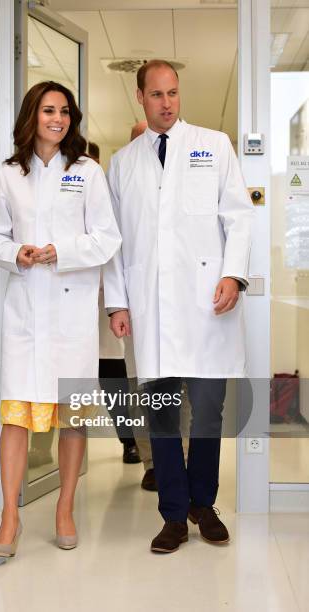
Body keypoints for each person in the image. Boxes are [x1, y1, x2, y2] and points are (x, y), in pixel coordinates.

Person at [104, 59, 254, 553]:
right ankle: (172, 513)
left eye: (173, 93)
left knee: (209, 413)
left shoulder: (214, 146)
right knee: (163, 416)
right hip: (153, 311)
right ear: (140, 98)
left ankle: (202, 504)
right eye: (157, 95)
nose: (167, 103)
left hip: (209, 305)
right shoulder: (123, 163)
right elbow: (116, 242)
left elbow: (238, 216)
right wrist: (118, 304)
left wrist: (233, 274)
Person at [0, 81, 121, 557]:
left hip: (71, 313)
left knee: (72, 417)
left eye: (64, 111)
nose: (57, 119)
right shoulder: (9, 174)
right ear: (31, 117)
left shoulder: (87, 171)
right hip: (25, 312)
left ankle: (64, 507)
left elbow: (106, 238)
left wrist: (63, 250)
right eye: (47, 111)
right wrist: (16, 251)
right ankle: (9, 518)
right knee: (15, 419)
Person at [88, 141, 141, 464]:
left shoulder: (110, 198)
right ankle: (45, 450)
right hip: (71, 303)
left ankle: (129, 441)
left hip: (105, 301)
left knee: (113, 381)